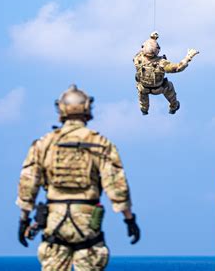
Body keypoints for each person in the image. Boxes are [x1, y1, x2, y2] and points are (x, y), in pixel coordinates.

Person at [16, 85, 140, 270]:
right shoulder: (100, 143)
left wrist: (24, 219)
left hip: (54, 221)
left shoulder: (44, 143)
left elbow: (28, 184)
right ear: (87, 108)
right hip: (87, 220)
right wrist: (129, 220)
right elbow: (116, 186)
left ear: (61, 109)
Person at [133, 32, 199, 115]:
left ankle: (144, 109)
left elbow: (142, 50)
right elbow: (178, 67)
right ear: (157, 50)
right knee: (169, 86)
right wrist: (188, 57)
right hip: (159, 88)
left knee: (140, 89)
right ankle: (173, 106)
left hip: (144, 88)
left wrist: (152, 39)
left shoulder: (137, 59)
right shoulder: (161, 63)